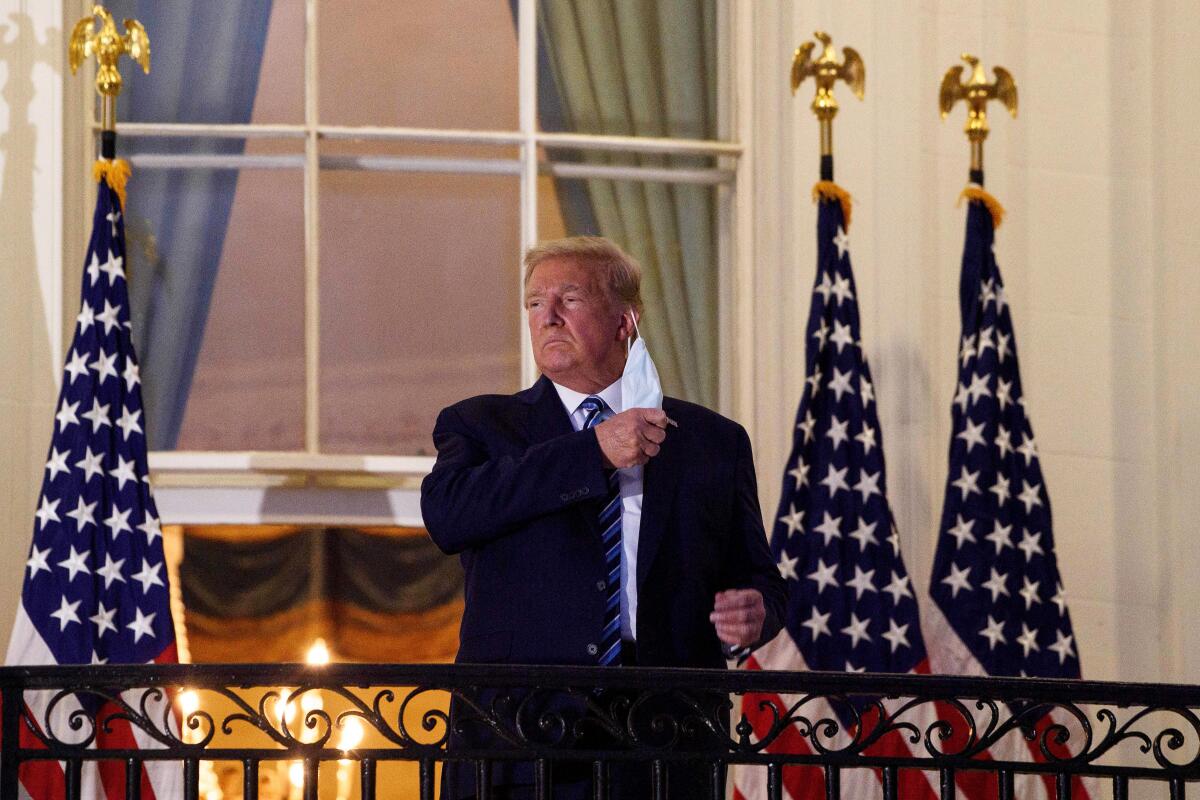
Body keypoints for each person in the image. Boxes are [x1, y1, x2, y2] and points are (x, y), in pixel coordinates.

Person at [421, 236, 786, 799]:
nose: (548, 316)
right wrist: (593, 449)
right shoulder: (482, 426)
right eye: (535, 303)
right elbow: (447, 516)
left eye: (569, 298)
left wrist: (757, 610)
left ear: (625, 322)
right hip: (520, 742)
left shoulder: (714, 442)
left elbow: (757, 576)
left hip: (666, 740)